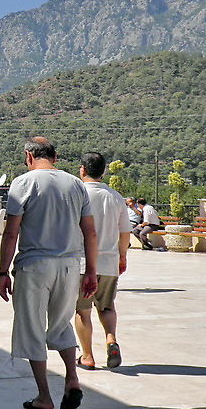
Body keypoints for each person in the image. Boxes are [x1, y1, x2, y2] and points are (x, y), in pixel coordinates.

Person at [0, 137, 98, 409]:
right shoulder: (75, 184)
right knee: (61, 323)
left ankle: (44, 396)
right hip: (69, 266)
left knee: (31, 327)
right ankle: (72, 379)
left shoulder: (23, 183)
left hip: (34, 266)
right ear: (55, 156)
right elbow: (90, 231)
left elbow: (11, 232)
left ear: (29, 156)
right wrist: (90, 271)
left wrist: (3, 272)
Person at [74, 153, 131, 370]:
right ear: (104, 171)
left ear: (82, 170)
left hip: (82, 261)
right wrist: (122, 256)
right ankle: (111, 339)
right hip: (109, 262)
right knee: (106, 306)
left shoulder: (77, 194)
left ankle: (87, 356)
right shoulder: (115, 197)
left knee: (82, 310)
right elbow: (125, 231)